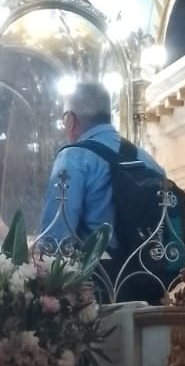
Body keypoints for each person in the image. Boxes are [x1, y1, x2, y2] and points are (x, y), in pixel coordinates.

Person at [38, 79, 169, 274]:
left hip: (97, 286)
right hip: (148, 282)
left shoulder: (73, 157)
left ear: (71, 120)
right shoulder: (149, 161)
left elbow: (56, 239)